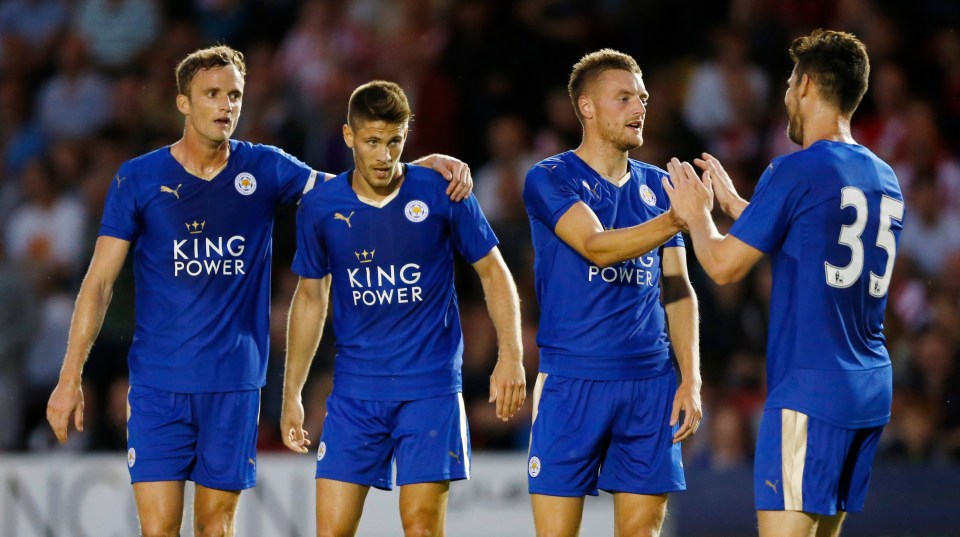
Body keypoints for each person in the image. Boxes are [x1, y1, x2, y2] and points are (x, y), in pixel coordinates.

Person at [44, 45, 473, 537]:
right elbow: (98, 282)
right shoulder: (139, 179)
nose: (226, 105)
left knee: (215, 525)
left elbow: (353, 190)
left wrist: (415, 168)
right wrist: (69, 375)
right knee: (158, 528)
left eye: (235, 95)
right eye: (212, 94)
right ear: (183, 102)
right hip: (159, 383)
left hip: (235, 381)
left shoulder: (265, 168)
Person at [663, 29, 903, 537]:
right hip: (867, 387)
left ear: (808, 83)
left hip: (809, 386)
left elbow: (724, 266)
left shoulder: (795, 169)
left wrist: (697, 215)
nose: (787, 94)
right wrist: (741, 211)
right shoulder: (883, 176)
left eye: (791, 82)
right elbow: (817, 243)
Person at [280, 80, 526, 537]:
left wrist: (510, 354)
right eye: (372, 141)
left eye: (394, 141)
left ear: (407, 135)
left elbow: (494, 271)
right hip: (355, 392)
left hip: (429, 390)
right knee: (330, 530)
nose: (383, 155)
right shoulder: (319, 207)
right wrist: (292, 391)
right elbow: (311, 298)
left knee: (420, 527)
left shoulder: (442, 190)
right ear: (348, 136)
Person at [522, 49, 702, 537]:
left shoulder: (660, 185)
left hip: (650, 385)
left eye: (641, 97)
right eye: (623, 98)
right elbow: (597, 247)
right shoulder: (550, 177)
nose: (639, 108)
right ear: (587, 107)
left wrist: (691, 377)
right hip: (572, 381)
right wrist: (673, 219)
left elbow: (678, 288)